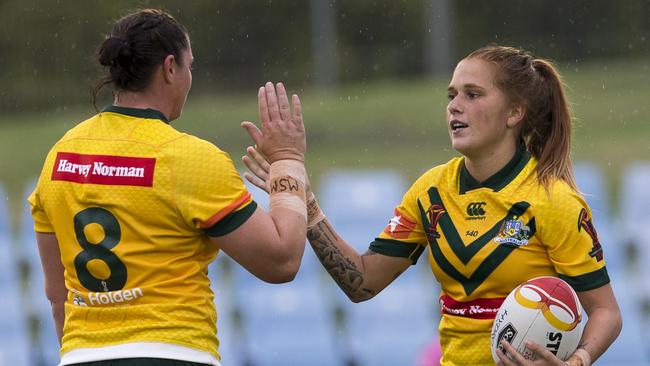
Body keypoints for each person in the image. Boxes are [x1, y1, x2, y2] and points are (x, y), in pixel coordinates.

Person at [242, 45, 622, 365]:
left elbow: (606, 312)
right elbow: (362, 281)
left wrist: (577, 360)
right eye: (451, 95)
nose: (455, 106)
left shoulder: (553, 200)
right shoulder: (431, 191)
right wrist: (305, 202)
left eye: (472, 95)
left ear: (514, 112)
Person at [28, 9, 309, 366]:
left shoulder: (59, 157)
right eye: (191, 66)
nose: (191, 78)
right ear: (170, 67)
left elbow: (58, 298)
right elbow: (282, 260)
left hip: (81, 354)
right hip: (174, 352)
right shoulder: (188, 159)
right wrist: (288, 159)